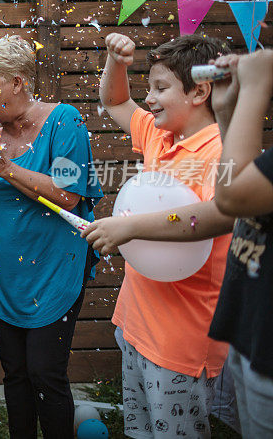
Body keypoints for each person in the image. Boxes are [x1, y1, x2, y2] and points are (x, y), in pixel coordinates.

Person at [83, 33, 235, 438]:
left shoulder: (222, 152)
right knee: (140, 432)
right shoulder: (160, 133)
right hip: (136, 323)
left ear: (199, 91)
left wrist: (129, 227)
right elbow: (115, 101)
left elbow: (219, 215)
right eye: (148, 87)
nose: (148, 99)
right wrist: (117, 61)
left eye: (160, 88)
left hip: (181, 341)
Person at [0, 35, 102, 439]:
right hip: (4, 275)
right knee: (15, 375)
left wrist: (4, 169)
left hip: (55, 272)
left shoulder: (64, 121)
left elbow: (69, 195)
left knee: (45, 373)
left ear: (17, 82)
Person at [207, 49, 273, 436]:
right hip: (253, 332)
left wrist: (256, 86)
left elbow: (230, 197)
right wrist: (228, 111)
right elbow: (241, 188)